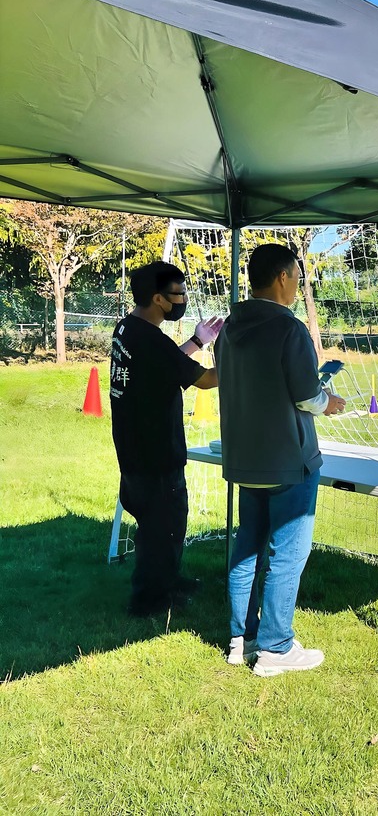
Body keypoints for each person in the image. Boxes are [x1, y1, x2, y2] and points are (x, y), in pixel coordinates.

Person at [216, 243, 345, 676]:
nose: (298, 285)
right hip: (289, 461)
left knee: (247, 545)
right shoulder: (290, 330)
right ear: (283, 278)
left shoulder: (231, 328)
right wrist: (329, 401)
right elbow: (307, 395)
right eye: (296, 276)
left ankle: (242, 638)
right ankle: (275, 648)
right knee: (288, 551)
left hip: (243, 459)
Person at [110, 262, 224, 617]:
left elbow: (166, 363)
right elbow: (205, 380)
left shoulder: (127, 328)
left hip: (133, 450)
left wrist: (196, 341)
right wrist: (235, 355)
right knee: (164, 528)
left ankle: (168, 581)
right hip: (156, 452)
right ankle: (148, 601)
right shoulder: (152, 339)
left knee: (157, 525)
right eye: (179, 294)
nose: (184, 300)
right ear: (158, 298)